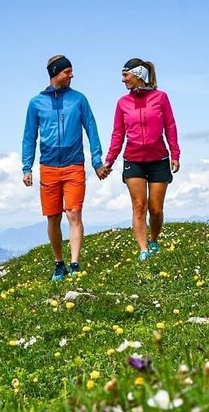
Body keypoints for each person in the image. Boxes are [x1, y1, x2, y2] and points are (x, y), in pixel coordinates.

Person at [22, 55, 108, 280]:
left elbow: (92, 129)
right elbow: (29, 136)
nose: (71, 75)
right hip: (48, 167)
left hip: (73, 165)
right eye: (67, 71)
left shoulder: (79, 100)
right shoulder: (36, 103)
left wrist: (97, 161)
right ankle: (59, 263)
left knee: (74, 213)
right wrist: (26, 167)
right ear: (55, 73)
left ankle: (75, 263)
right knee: (52, 217)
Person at [102, 58, 180, 261]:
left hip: (159, 159)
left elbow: (170, 126)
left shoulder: (161, 97)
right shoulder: (122, 103)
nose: (123, 79)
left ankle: (154, 240)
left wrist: (175, 154)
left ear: (138, 75)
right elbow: (117, 133)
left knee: (155, 209)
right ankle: (143, 249)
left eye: (126, 75)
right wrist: (110, 160)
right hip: (133, 159)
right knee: (139, 206)